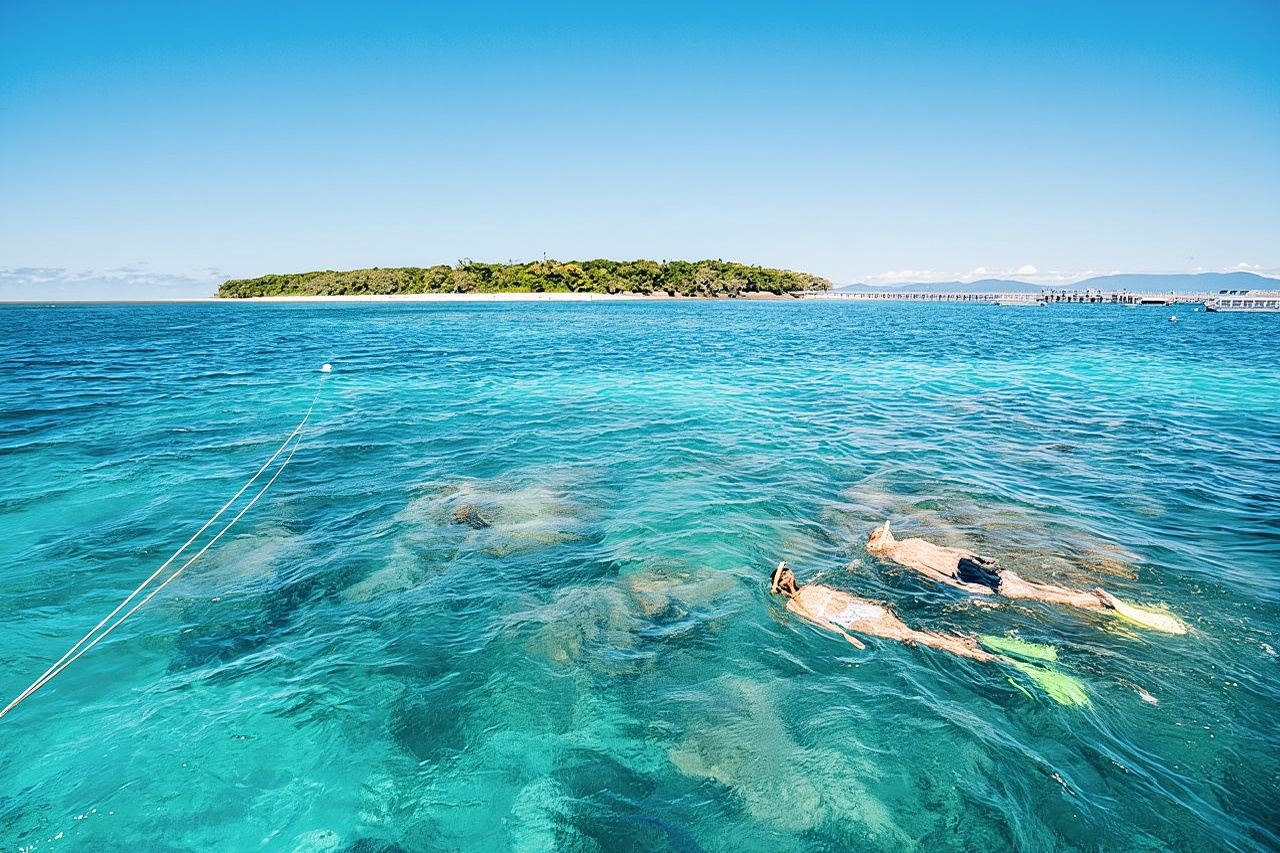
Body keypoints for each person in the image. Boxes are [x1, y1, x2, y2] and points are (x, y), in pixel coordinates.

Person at [864, 521, 1187, 633]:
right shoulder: (913, 541)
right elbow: (951, 550)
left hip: (965, 574)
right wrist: (981, 561)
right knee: (1029, 586)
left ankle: (1095, 602)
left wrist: (965, 589)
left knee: (1028, 594)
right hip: (974, 562)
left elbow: (933, 572)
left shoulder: (899, 554)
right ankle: (1089, 598)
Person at [769, 561, 996, 661]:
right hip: (849, 621)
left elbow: (842, 596)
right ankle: (969, 651)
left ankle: (960, 642)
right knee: (909, 635)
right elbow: (817, 620)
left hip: (858, 610)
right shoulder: (792, 605)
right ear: (779, 586)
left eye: (787, 571)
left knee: (908, 630)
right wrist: (845, 635)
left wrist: (870, 605)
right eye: (783, 575)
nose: (788, 575)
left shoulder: (813, 586)